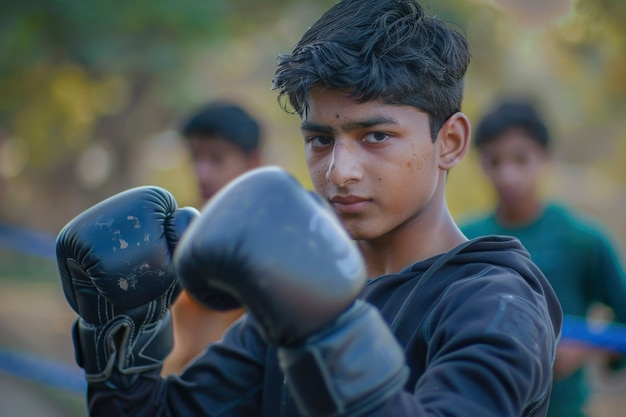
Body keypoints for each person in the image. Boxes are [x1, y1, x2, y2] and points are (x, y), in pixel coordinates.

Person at [55, 1, 562, 416]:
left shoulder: (497, 305)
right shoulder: (295, 300)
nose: (339, 171)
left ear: (449, 142)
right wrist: (120, 338)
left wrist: (326, 333)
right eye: (320, 139)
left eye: (376, 136)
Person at [460, 98, 626, 417]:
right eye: (494, 162)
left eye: (521, 159)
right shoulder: (465, 239)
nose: (507, 175)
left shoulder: (582, 239)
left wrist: (585, 346)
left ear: (545, 157)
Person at [161, 101, 263, 375]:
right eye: (196, 158)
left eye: (217, 159)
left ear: (253, 162)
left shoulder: (270, 241)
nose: (201, 173)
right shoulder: (188, 229)